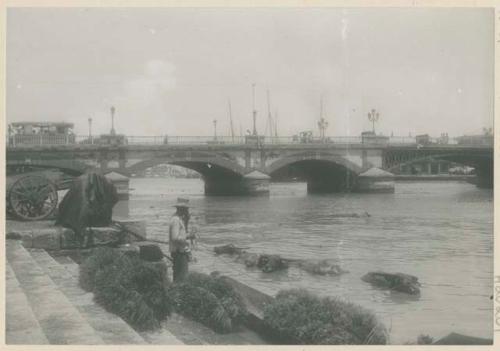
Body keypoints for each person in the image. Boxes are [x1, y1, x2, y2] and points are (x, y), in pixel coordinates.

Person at [168, 197, 194, 282]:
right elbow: (174, 238)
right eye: (186, 209)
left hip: (181, 252)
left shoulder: (179, 219)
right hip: (179, 252)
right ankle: (177, 293)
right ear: (182, 209)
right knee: (181, 278)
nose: (188, 211)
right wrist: (187, 236)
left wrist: (188, 235)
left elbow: (179, 236)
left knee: (181, 276)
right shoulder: (176, 220)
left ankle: (177, 292)